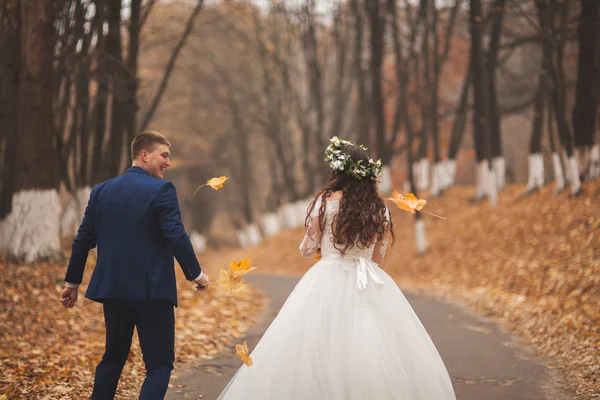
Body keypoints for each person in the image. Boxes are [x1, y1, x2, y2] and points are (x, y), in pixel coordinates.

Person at [217, 137, 456, 399]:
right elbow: (378, 258)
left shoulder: (325, 202)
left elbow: (307, 250)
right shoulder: (379, 209)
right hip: (369, 280)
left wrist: (319, 241)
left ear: (338, 171)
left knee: (318, 342)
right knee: (369, 344)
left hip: (326, 277)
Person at [60, 131, 211, 400]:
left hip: (114, 290)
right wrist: (196, 275)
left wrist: (72, 283)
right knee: (159, 364)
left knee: (113, 357)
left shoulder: (102, 190)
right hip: (151, 292)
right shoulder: (162, 189)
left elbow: (83, 240)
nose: (168, 162)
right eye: (163, 155)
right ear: (144, 155)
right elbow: (176, 236)